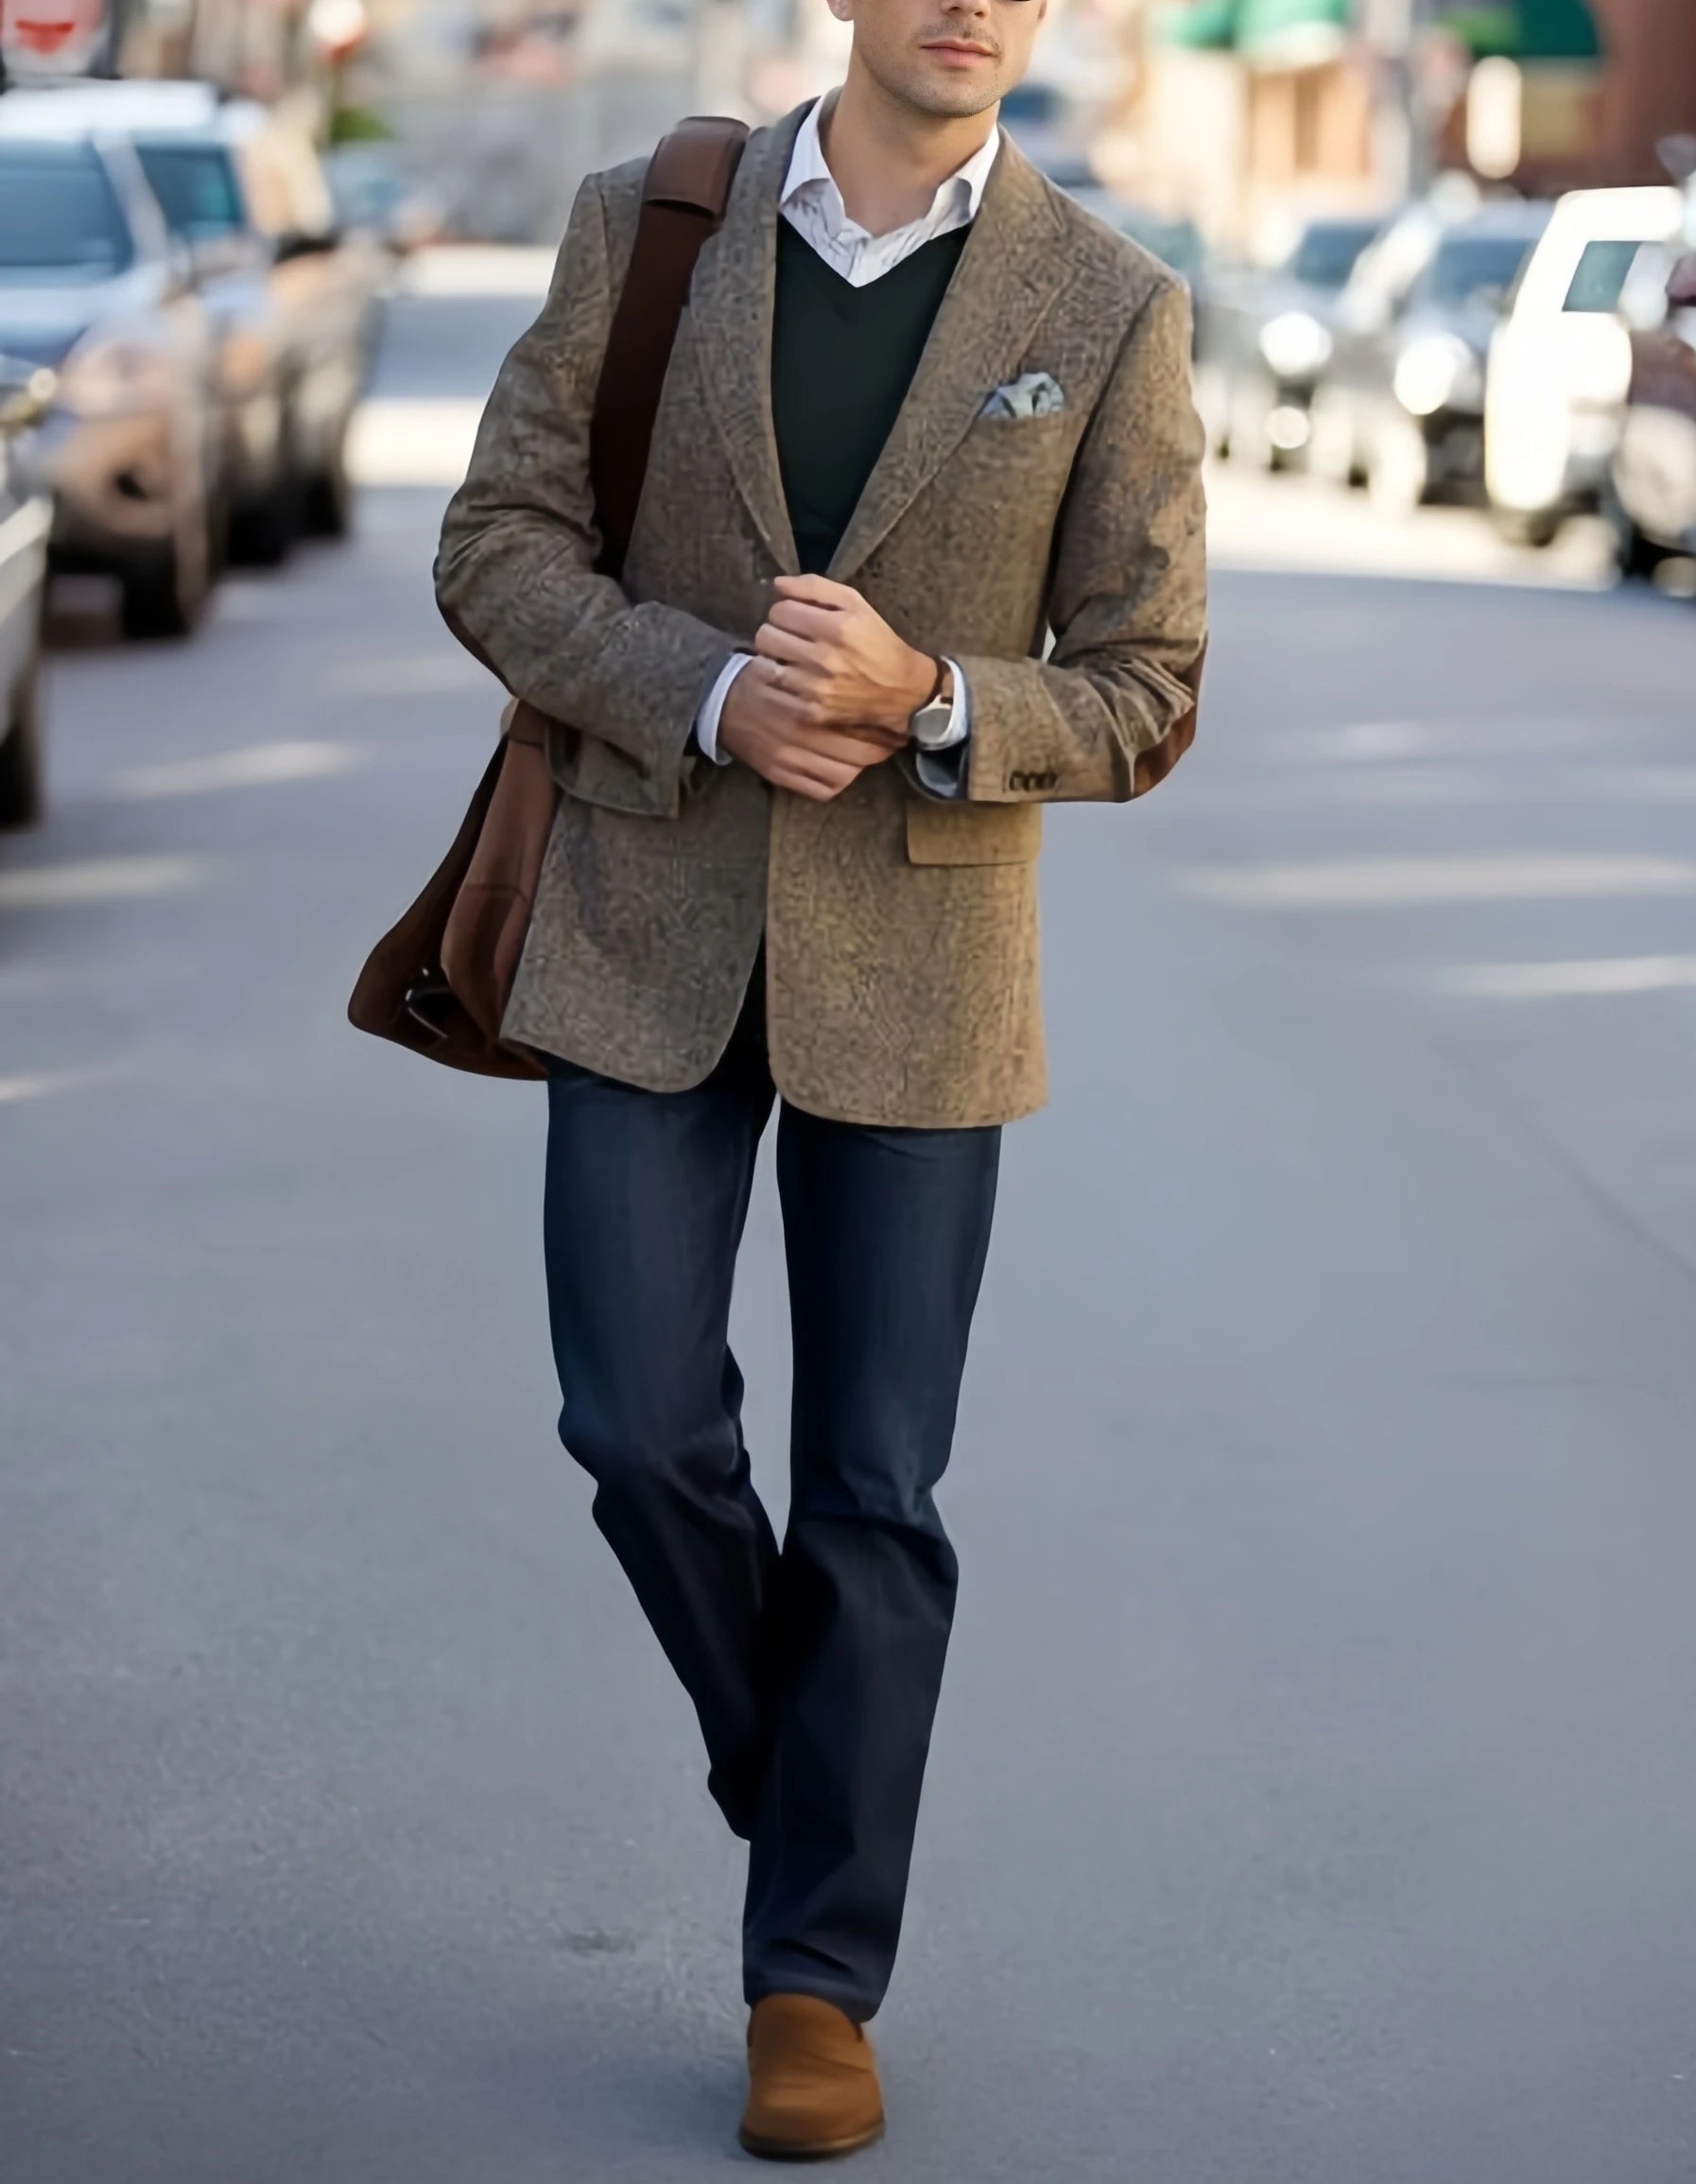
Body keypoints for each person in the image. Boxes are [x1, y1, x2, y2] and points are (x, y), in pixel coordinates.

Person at [433, 0, 1206, 2151]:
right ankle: (802, 1768)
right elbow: (495, 542)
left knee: (875, 1487)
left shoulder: (1108, 305)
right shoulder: (652, 226)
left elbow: (1147, 686)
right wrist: (709, 696)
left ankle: (812, 1981)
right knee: (635, 1418)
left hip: (926, 966)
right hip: (641, 925)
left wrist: (932, 692)